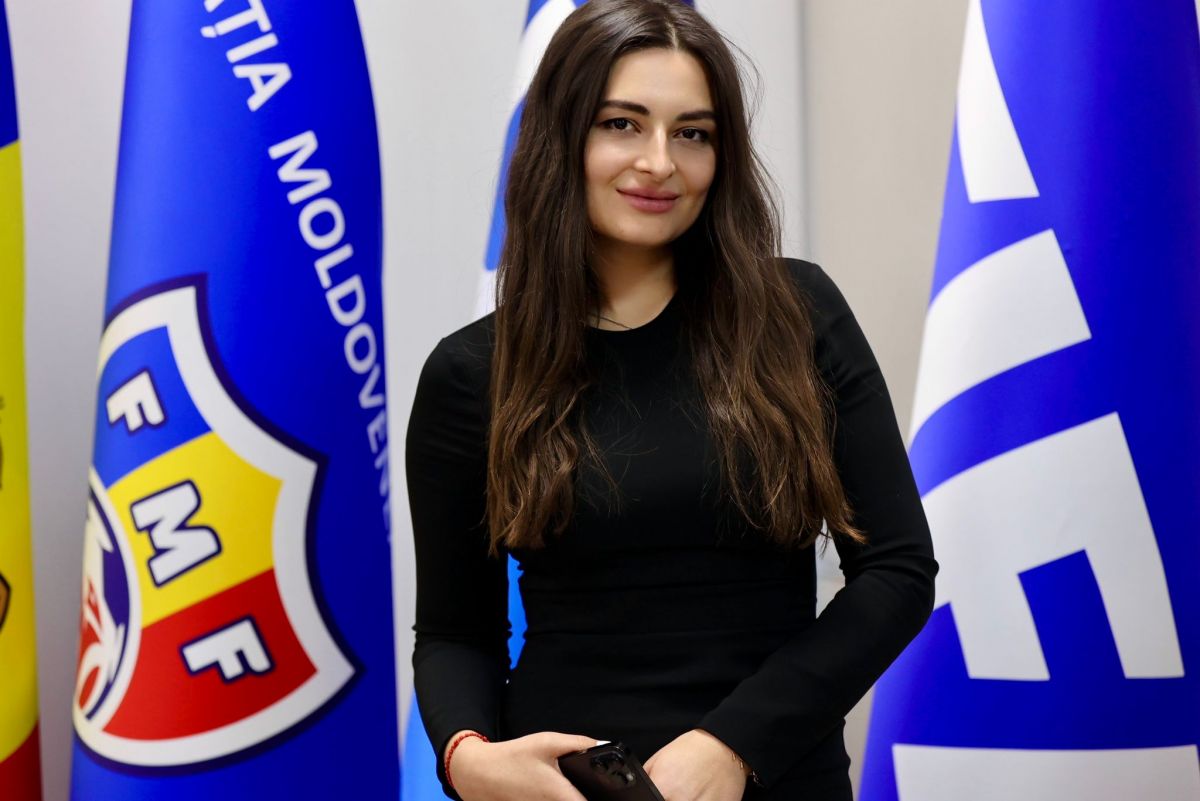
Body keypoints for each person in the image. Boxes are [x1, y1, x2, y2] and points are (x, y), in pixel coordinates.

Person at [405, 1, 937, 799]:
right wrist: (467, 758)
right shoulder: (472, 370)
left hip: (780, 779)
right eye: (622, 124)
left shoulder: (799, 315)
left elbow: (896, 571)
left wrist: (733, 744)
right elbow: (456, 631)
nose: (659, 162)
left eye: (693, 133)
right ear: (563, 136)